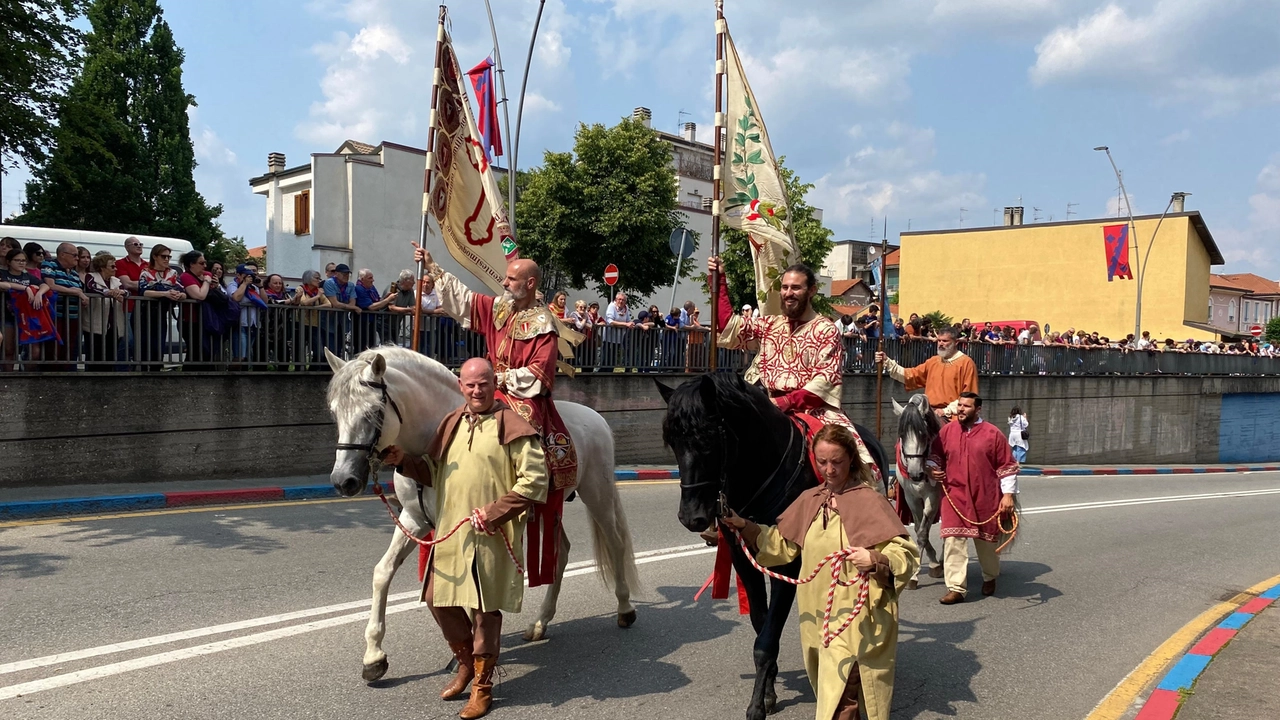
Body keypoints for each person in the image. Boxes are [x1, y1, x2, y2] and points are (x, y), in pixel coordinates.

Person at [384, 358, 547, 719]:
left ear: (494, 385)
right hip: (452, 531)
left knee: (485, 611)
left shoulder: (513, 425)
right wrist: (403, 460)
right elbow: (433, 472)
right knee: (435, 599)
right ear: (461, 386)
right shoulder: (452, 423)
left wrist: (494, 512)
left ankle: (482, 686)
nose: (477, 391)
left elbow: (536, 481)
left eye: (484, 384)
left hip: (491, 534)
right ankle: (464, 665)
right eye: (470, 385)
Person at [722, 425, 919, 720]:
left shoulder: (870, 501)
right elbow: (781, 545)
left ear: (851, 459)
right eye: (822, 462)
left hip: (857, 618)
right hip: (817, 619)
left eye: (836, 462)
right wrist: (744, 526)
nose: (829, 470)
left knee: (841, 699)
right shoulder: (811, 499)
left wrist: (876, 559)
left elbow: (905, 554)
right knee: (829, 689)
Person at [413, 243, 580, 588]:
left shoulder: (544, 323)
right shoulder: (502, 308)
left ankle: (529, 489)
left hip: (521, 393)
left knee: (522, 427)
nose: (504, 283)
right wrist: (433, 267)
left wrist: (500, 379)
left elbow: (539, 375)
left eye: (511, 279)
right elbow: (467, 301)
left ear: (530, 284)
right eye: (505, 278)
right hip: (490, 384)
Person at [708, 255, 880, 473]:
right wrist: (719, 280)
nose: (788, 293)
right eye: (785, 287)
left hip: (814, 411)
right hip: (768, 404)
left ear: (812, 291)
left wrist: (782, 403)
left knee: (857, 467)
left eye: (796, 288)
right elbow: (729, 326)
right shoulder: (770, 324)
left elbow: (823, 384)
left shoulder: (826, 330)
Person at [928, 393, 1019, 604]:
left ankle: (990, 576)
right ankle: (956, 588)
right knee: (952, 541)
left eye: (966, 406)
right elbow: (935, 457)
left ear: (978, 410)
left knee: (986, 543)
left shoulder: (993, 434)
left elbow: (1007, 467)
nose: (960, 409)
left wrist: (1008, 496)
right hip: (954, 496)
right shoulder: (946, 431)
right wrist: (932, 469)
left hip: (985, 497)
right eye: (959, 405)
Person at [876, 325, 978, 420]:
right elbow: (912, 375)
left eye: (945, 341)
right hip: (929, 412)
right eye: (939, 341)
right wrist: (887, 362)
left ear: (956, 342)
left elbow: (969, 396)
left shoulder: (966, 363)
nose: (941, 344)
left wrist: (946, 411)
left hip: (953, 416)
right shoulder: (933, 361)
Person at [42, 242, 91, 371]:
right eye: (75, 255)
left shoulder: (74, 273)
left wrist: (82, 297)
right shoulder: (50, 265)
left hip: (72, 315)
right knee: (54, 349)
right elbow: (51, 285)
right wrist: (76, 292)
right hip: (55, 315)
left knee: (69, 349)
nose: (77, 258)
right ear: (62, 255)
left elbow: (79, 291)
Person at [137, 245, 185, 369]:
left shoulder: (172, 273)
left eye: (169, 257)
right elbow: (144, 291)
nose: (166, 259)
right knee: (145, 346)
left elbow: (183, 291)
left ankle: (156, 373)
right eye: (163, 256)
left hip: (162, 312)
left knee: (159, 346)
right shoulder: (146, 272)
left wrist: (178, 295)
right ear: (155, 256)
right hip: (146, 313)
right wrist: (165, 293)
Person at [84, 253, 127, 367]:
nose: (116, 269)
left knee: (111, 356)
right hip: (96, 325)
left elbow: (127, 292)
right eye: (112, 266)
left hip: (114, 326)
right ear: (102, 267)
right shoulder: (91, 276)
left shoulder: (116, 280)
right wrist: (108, 292)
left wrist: (120, 292)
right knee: (95, 357)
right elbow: (92, 288)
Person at [227, 263, 266, 367]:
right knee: (240, 355)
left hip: (253, 324)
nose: (249, 278)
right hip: (240, 323)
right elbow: (236, 298)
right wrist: (244, 284)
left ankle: (243, 377)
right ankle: (231, 379)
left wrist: (261, 286)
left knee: (247, 355)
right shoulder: (233, 284)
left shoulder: (253, 287)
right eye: (246, 275)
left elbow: (264, 301)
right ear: (238, 275)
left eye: (250, 275)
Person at [353, 268, 396, 352]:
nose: (373, 280)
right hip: (362, 323)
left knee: (371, 346)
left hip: (372, 322)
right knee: (361, 347)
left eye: (372, 277)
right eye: (370, 278)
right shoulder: (359, 289)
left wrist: (385, 298)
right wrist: (387, 300)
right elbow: (371, 307)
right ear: (362, 279)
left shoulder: (372, 287)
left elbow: (378, 301)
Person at [322, 263, 359, 358]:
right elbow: (335, 303)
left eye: (348, 274)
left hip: (342, 322)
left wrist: (349, 306)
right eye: (344, 274)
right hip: (328, 321)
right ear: (337, 274)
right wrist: (352, 307)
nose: (346, 276)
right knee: (329, 347)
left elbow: (352, 303)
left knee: (339, 348)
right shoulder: (329, 283)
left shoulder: (350, 285)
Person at [295, 269, 330, 369]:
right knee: (300, 351)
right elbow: (304, 302)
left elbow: (328, 304)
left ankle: (312, 370)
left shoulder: (317, 291)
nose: (319, 280)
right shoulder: (301, 288)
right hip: (301, 323)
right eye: (316, 278)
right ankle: (298, 372)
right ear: (308, 279)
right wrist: (317, 296)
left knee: (319, 352)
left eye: (320, 278)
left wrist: (315, 308)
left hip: (314, 324)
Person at [603, 291, 634, 370]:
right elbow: (610, 321)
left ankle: (610, 376)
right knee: (606, 359)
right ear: (616, 299)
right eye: (619, 299)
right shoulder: (611, 306)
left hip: (619, 338)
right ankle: (601, 375)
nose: (621, 301)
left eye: (623, 300)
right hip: (609, 338)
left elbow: (628, 320)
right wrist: (625, 325)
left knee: (613, 360)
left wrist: (631, 324)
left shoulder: (626, 308)